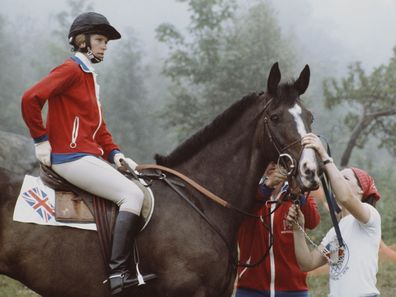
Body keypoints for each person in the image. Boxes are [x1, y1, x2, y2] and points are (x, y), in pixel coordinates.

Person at [21, 12, 155, 295]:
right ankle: (118, 273)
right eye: (100, 40)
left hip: (88, 156)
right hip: (70, 158)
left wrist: (115, 154)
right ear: (82, 41)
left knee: (139, 187)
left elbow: (99, 129)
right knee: (132, 195)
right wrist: (41, 140)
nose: (105, 46)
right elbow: (30, 99)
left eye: (106, 41)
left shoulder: (88, 77)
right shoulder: (70, 70)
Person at [287, 133, 381, 297]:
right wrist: (297, 228)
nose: (336, 180)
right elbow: (307, 263)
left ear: (361, 189)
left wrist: (324, 155)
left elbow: (345, 197)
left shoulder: (370, 216)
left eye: (345, 178)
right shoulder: (335, 231)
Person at [236, 162, 320, 297]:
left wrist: (298, 194)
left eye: (278, 161)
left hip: (293, 289)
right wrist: (266, 187)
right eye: (268, 160)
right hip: (250, 288)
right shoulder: (248, 191)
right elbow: (241, 214)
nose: (274, 165)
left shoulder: (298, 192)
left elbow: (313, 222)